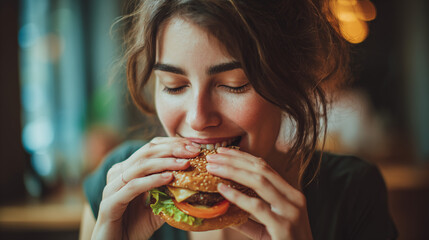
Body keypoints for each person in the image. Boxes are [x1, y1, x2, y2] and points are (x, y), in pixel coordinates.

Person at [80, 0, 398, 239]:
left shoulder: (352, 193)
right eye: (174, 86)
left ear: (290, 78)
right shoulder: (120, 190)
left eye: (235, 85)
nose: (198, 118)